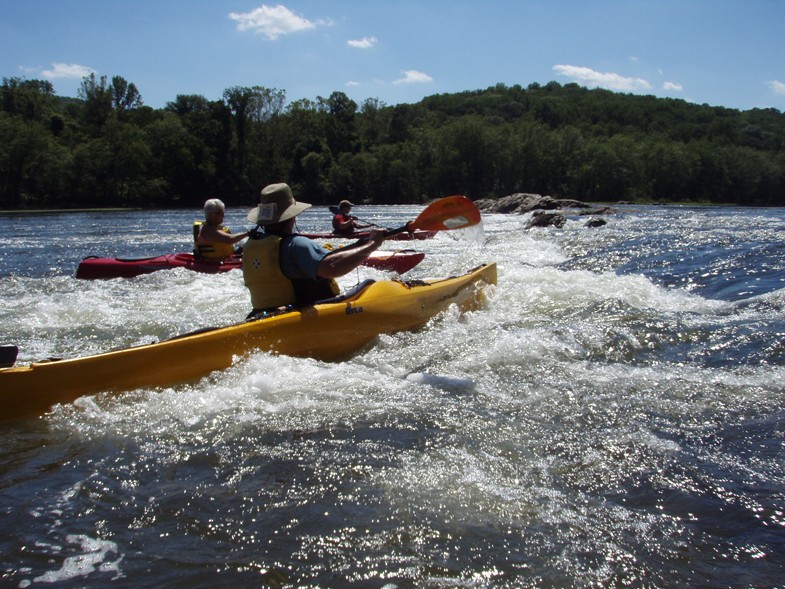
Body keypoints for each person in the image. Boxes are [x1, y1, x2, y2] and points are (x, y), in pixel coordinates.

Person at [243, 183, 386, 316]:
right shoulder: (297, 244)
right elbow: (332, 268)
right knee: (370, 283)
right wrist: (372, 244)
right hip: (300, 318)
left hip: (261, 315)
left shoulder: (249, 246)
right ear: (292, 216)